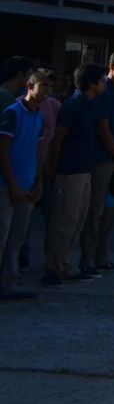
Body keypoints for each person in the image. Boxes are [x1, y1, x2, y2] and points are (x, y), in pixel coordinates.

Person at [44, 64, 108, 286]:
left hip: (85, 170)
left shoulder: (92, 105)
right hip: (69, 172)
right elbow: (57, 141)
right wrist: (55, 171)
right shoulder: (73, 106)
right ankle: (52, 267)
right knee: (63, 221)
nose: (104, 84)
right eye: (102, 80)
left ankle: (65, 264)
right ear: (91, 83)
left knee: (78, 221)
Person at [81, 47, 114, 274]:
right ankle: (87, 258)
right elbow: (103, 128)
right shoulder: (104, 91)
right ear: (112, 67)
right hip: (103, 159)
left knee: (112, 211)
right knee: (96, 210)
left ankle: (103, 255)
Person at [0, 71, 49, 299]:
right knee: (2, 236)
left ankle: (10, 284)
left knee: (17, 238)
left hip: (27, 186)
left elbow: (37, 152)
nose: (48, 91)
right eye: (44, 86)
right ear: (30, 85)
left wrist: (38, 181)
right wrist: (12, 185)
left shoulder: (39, 116)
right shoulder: (12, 113)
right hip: (7, 187)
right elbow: (3, 151)